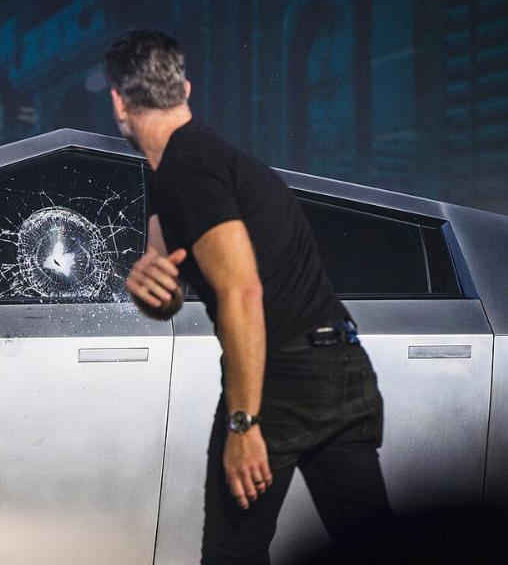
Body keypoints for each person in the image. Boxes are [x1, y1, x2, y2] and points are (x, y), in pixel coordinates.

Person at [104, 30, 393, 564]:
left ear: (119, 102)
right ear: (184, 89)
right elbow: (168, 287)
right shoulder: (178, 170)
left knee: (231, 557)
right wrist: (151, 289)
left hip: (280, 379)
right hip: (341, 366)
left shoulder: (188, 167)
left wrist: (244, 424)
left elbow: (242, 290)